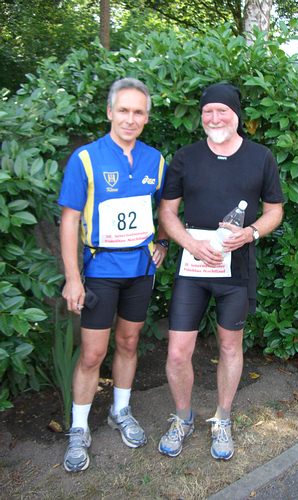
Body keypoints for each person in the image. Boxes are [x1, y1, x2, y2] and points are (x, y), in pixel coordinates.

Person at [158, 82, 284, 461]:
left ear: (236, 115)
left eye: (222, 111)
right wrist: (190, 244)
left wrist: (251, 233)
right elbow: (166, 211)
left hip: (236, 271)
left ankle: (223, 419)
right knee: (179, 352)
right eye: (208, 112)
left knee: (230, 346)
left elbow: (274, 210)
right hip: (193, 268)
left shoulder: (261, 157)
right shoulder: (186, 157)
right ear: (202, 117)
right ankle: (183, 418)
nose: (215, 118)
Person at [58, 77, 169, 472]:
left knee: (129, 341)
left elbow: (165, 213)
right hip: (100, 270)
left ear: (146, 117)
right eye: (123, 110)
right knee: (92, 353)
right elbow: (69, 220)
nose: (130, 118)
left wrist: (164, 245)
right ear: (109, 112)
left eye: (138, 112)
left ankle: (120, 411)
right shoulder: (86, 158)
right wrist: (73, 277)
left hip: (139, 270)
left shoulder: (156, 160)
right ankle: (78, 428)